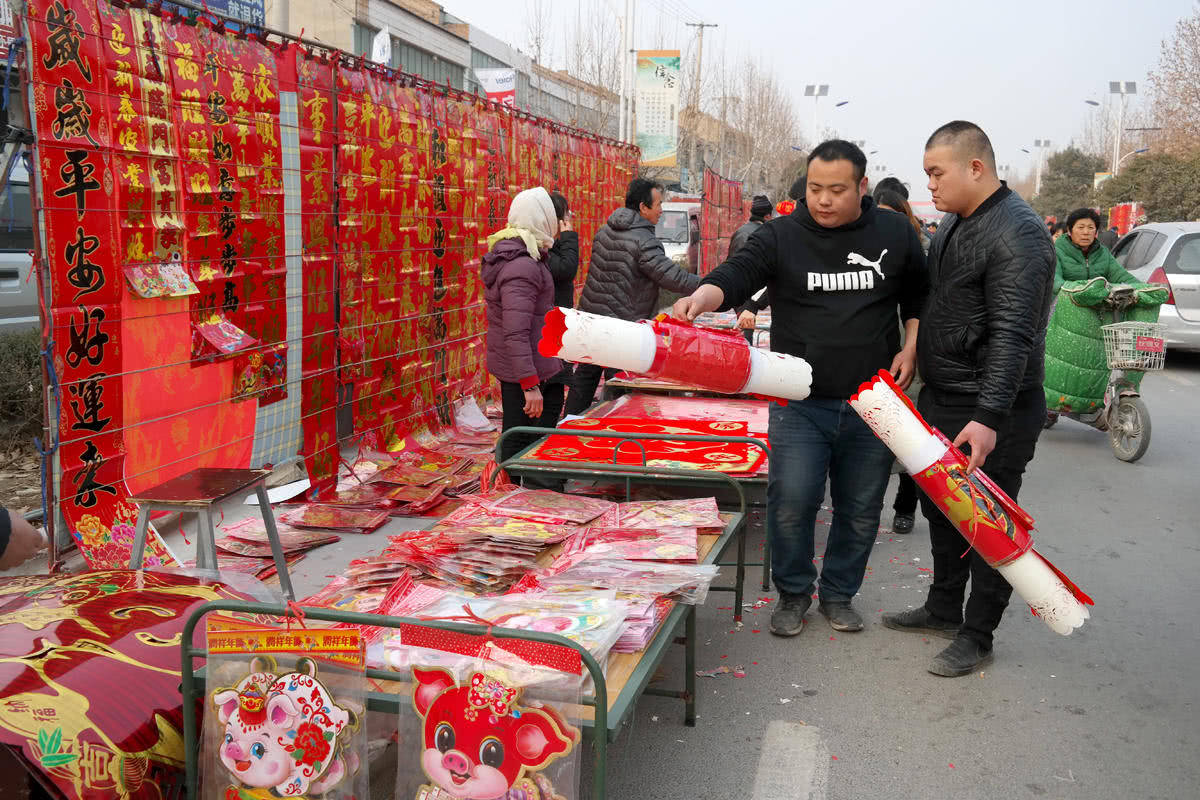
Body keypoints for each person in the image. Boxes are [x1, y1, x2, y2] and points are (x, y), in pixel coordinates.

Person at [672, 140, 928, 637]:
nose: (824, 200)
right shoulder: (781, 235)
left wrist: (911, 345)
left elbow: (918, 295)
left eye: (836, 190)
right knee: (791, 501)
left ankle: (838, 594)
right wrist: (702, 297)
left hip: (873, 401)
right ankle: (793, 594)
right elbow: (737, 273)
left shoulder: (894, 233)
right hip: (800, 402)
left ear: (862, 188)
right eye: (815, 189)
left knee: (860, 507)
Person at [882, 121, 1055, 678]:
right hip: (946, 392)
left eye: (937, 172)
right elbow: (941, 300)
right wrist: (916, 349)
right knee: (943, 511)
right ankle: (941, 606)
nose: (928, 184)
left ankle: (977, 634)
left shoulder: (1018, 234)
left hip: (991, 408)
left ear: (975, 168)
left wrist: (987, 417)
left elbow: (1013, 334)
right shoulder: (957, 222)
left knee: (986, 522)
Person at [566, 178, 701, 413]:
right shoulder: (644, 241)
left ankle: (563, 434)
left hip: (592, 321)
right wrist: (713, 287)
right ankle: (615, 444)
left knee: (584, 380)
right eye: (658, 204)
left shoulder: (605, 229)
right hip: (623, 330)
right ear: (643, 207)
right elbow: (674, 278)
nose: (661, 211)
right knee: (619, 391)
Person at [482, 187, 567, 463]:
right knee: (521, 441)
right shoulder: (522, 265)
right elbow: (516, 331)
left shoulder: (526, 255)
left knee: (526, 439)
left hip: (530, 365)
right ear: (540, 219)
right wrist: (530, 386)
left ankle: (517, 492)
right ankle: (511, 495)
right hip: (524, 370)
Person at [874, 187, 928, 534]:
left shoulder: (919, 252)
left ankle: (905, 506)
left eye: (892, 214)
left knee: (911, 439)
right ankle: (867, 506)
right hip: (874, 356)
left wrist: (913, 347)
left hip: (913, 354)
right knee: (874, 441)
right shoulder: (864, 250)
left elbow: (924, 307)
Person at [544, 191, 579, 414]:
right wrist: (568, 236)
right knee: (550, 394)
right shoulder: (542, 248)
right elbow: (566, 269)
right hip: (548, 325)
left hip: (556, 322)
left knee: (555, 395)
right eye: (567, 214)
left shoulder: (549, 245)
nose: (570, 218)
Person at [1052, 208, 1143, 293]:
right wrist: (1082, 290)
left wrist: (1145, 289)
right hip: (1065, 306)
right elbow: (1055, 282)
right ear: (1069, 230)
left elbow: (1121, 276)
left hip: (1098, 308)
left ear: (1096, 232)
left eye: (1090, 228)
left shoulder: (1103, 253)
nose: (1086, 232)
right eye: (1081, 227)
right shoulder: (1056, 252)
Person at [732, 195, 774, 343]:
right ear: (768, 215)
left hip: (737, 290)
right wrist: (757, 302)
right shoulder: (764, 234)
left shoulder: (740, 231)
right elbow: (767, 271)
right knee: (745, 336)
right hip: (750, 294)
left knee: (742, 333)